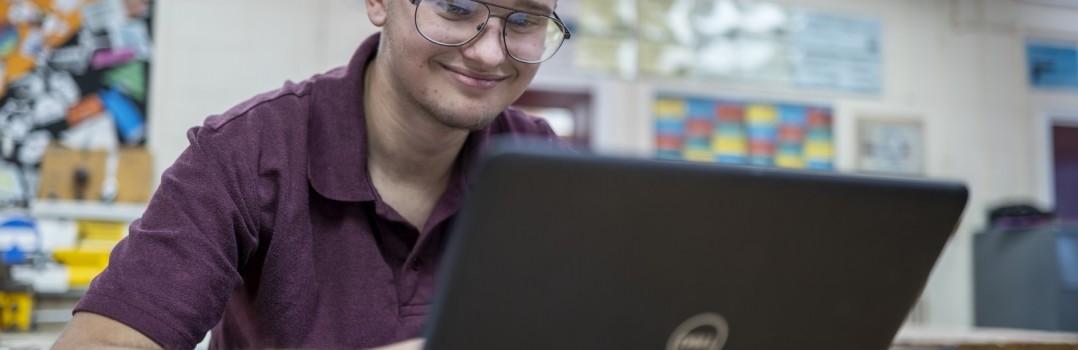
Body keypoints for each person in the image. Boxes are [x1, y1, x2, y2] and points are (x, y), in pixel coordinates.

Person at [52, 0, 570, 348]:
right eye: (457, 8)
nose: (488, 52)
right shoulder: (246, 152)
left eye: (524, 21)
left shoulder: (544, 166)